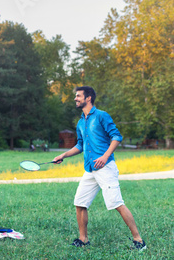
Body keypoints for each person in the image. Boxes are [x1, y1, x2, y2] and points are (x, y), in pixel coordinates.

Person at [53, 86, 146, 250]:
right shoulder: (81, 122)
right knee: (80, 203)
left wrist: (105, 156)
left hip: (106, 168)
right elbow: (80, 145)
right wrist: (63, 155)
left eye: (78, 96)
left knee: (116, 203)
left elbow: (116, 136)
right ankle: (83, 240)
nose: (75, 99)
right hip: (90, 169)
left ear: (88, 98)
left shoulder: (102, 116)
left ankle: (139, 241)